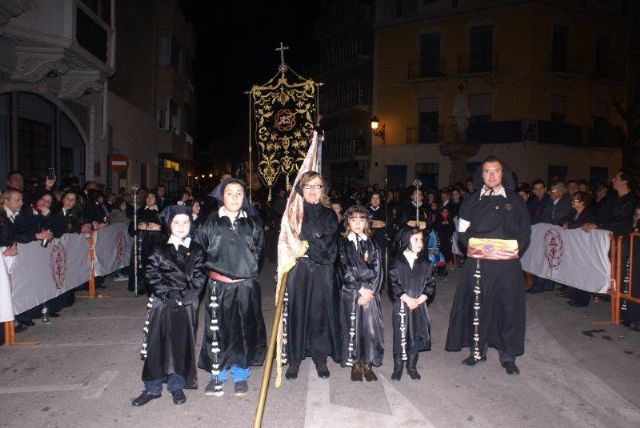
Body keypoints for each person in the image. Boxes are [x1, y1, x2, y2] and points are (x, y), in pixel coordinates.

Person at [446, 156, 530, 375]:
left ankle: (508, 356)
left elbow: (525, 233)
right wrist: (477, 248)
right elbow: (462, 232)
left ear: (503, 174)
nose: (491, 175)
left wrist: (509, 250)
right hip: (478, 265)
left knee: (508, 309)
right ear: (481, 175)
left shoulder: (516, 201)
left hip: (507, 266)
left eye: (496, 171)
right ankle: (477, 351)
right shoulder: (471, 201)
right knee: (478, 308)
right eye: (487, 171)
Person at [132, 205, 207, 406]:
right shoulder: (159, 248)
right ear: (169, 225)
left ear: (191, 224)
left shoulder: (197, 250)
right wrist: (167, 295)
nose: (181, 226)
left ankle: (176, 385)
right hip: (162, 303)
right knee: (157, 344)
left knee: (180, 344)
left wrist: (183, 297)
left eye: (185, 222)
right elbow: (151, 274)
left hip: (186, 303)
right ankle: (152, 387)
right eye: (176, 222)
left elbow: (199, 277)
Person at [198, 178, 267, 397]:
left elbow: (260, 252)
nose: (235, 197)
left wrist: (247, 272)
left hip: (246, 286)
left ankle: (240, 374)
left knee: (243, 331)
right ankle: (217, 374)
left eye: (239, 193)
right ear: (222, 196)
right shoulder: (210, 222)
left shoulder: (252, 222)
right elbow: (200, 252)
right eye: (230, 193)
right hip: (218, 287)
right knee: (217, 332)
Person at [283, 171, 340, 380]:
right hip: (298, 271)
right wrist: (314, 238)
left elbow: (327, 250)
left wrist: (306, 240)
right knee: (297, 313)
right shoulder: (293, 214)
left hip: (320, 272)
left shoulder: (329, 215)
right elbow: (288, 243)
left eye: (317, 186)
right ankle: (295, 358)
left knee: (319, 314)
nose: (313, 191)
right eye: (308, 186)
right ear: (301, 190)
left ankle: (320, 357)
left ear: (323, 189)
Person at [338, 206, 384, 382]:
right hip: (352, 292)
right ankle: (356, 363)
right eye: (353, 220)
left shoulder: (372, 243)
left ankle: (368, 363)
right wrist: (359, 288)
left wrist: (371, 290)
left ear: (367, 222)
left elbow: (379, 269)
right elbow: (344, 269)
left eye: (361, 220)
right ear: (347, 222)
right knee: (353, 327)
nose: (357, 223)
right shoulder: (343, 243)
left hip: (370, 294)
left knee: (369, 329)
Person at [388, 227, 436, 381]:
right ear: (405, 241)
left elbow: (430, 285)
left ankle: (411, 366)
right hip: (402, 305)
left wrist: (420, 299)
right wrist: (407, 299)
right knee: (400, 335)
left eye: (421, 239)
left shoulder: (426, 263)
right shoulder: (397, 261)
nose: (420, 243)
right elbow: (393, 283)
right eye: (415, 240)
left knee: (416, 335)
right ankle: (398, 367)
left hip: (419, 305)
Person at [128, 193, 165, 294]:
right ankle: (142, 285)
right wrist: (139, 227)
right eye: (148, 197)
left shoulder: (161, 211)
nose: (149, 199)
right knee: (142, 263)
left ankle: (155, 285)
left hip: (156, 241)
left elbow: (166, 228)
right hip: (142, 240)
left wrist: (157, 227)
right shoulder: (139, 212)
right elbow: (131, 229)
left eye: (152, 197)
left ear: (156, 199)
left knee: (154, 263)